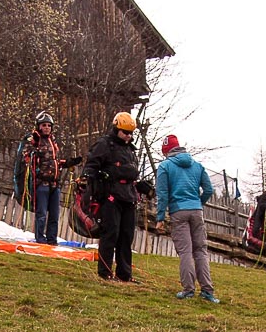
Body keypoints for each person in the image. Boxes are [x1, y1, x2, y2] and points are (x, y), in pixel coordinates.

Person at [155, 134, 220, 303]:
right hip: (197, 211)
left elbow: (162, 194)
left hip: (178, 212)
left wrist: (160, 217)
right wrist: (198, 203)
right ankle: (207, 291)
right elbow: (208, 190)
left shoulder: (165, 166)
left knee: (185, 251)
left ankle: (188, 290)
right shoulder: (197, 165)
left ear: (167, 151)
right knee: (200, 251)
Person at [83, 112, 142, 281]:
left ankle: (124, 274)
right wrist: (92, 179)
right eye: (125, 132)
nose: (128, 136)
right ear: (116, 129)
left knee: (126, 235)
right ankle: (105, 272)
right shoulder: (104, 144)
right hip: (110, 195)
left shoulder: (130, 150)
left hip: (128, 196)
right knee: (111, 233)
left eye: (131, 133)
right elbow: (91, 165)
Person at [13, 111, 81, 245]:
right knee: (42, 214)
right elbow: (26, 156)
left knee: (54, 215)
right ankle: (40, 239)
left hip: (55, 184)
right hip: (41, 183)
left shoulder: (52, 141)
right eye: (44, 125)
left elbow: (54, 161)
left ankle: (52, 240)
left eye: (49, 125)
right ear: (38, 126)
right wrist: (34, 148)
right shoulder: (33, 139)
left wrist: (68, 163)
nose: (46, 128)